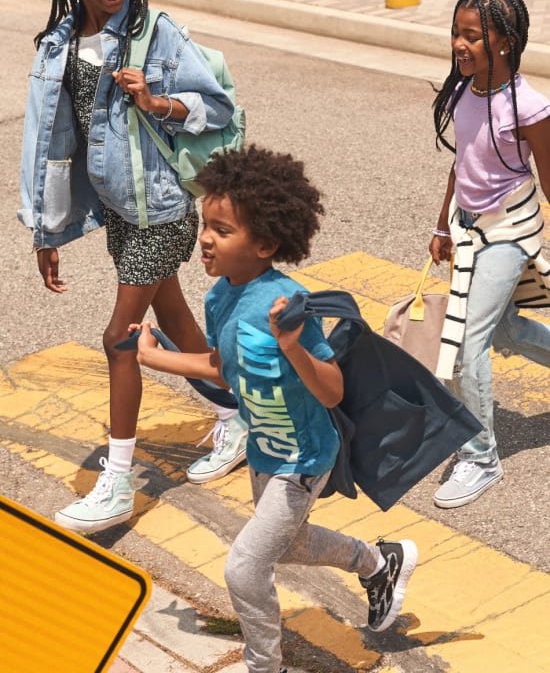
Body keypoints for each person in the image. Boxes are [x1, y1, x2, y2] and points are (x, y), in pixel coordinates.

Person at [132, 145, 418, 673]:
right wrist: (156, 356)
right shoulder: (220, 298)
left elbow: (331, 391)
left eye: (221, 229)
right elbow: (224, 368)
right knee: (289, 544)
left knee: (244, 568)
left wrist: (291, 346)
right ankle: (380, 561)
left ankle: (267, 666)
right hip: (266, 451)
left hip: (304, 458)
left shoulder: (287, 302)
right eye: (205, 225)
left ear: (264, 243)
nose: (205, 239)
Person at [18, 0, 248, 534]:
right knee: (173, 317)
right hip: (120, 210)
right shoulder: (59, 46)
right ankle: (234, 419)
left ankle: (116, 483)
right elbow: (47, 142)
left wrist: (158, 102)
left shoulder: (156, 33)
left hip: (165, 209)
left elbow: (217, 106)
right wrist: (46, 230)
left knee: (120, 337)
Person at [430, 0, 550, 509]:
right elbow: (462, 165)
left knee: (464, 345)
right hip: (469, 229)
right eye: (457, 32)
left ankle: (481, 457)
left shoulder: (528, 106)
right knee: (503, 328)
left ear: (506, 41)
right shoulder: (464, 90)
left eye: (472, 36)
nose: (460, 43)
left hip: (510, 232)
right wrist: (441, 227)